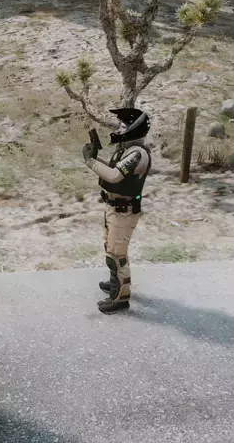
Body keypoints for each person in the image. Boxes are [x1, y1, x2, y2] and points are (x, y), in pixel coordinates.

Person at [82, 109, 152, 315]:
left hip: (124, 211)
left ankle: (120, 298)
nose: (119, 130)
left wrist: (90, 161)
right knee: (113, 249)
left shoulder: (137, 154)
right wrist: (95, 159)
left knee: (116, 255)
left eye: (123, 126)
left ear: (134, 129)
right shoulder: (127, 150)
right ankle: (117, 282)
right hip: (115, 208)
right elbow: (114, 172)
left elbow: (114, 176)